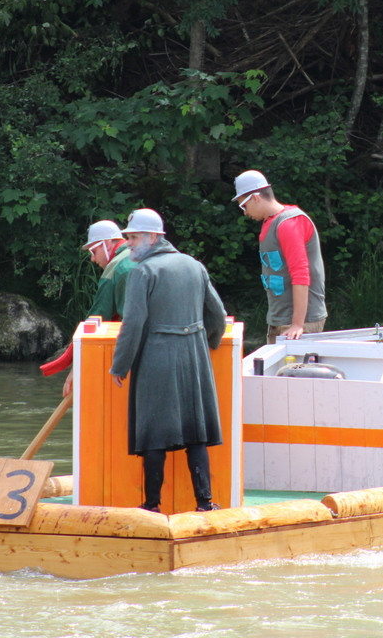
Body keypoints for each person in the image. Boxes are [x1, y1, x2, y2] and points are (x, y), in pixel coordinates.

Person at [109, 208, 227, 513]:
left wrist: (120, 365)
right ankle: (205, 503)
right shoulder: (193, 266)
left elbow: (133, 324)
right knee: (196, 431)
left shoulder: (143, 273)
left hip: (156, 358)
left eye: (134, 237)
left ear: (153, 237)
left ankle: (151, 506)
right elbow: (217, 314)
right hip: (195, 356)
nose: (129, 244)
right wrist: (208, 344)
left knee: (153, 433)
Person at [39, 219, 135, 397]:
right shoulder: (140, 256)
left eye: (93, 251)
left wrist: (76, 368)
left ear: (107, 243)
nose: (92, 258)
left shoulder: (116, 267)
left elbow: (97, 319)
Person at [232, 169, 327, 344]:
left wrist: (298, 324)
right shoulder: (271, 221)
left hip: (299, 324)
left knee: (294, 371)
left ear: (255, 198)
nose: (244, 212)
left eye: (243, 206)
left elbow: (300, 275)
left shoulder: (288, 224)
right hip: (280, 320)